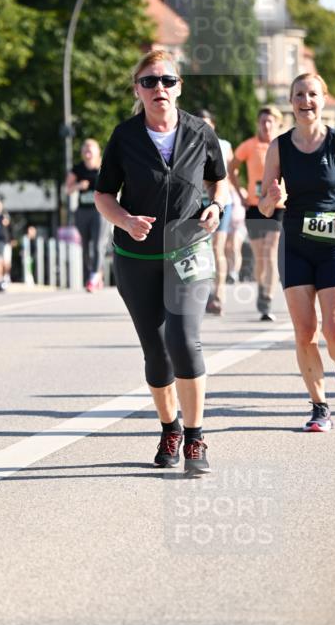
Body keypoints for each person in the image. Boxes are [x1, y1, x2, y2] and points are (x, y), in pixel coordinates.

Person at [95, 50, 229, 473]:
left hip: (188, 251)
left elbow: (218, 181)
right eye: (150, 82)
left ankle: (195, 437)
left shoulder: (199, 132)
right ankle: (169, 427)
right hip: (137, 257)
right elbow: (103, 195)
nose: (160, 89)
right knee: (156, 350)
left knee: (184, 341)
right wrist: (125, 220)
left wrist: (216, 207)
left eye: (167, 81)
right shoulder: (124, 136)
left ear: (179, 87)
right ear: (137, 89)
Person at [259, 73, 335, 431]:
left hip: (334, 246)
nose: (306, 101)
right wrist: (270, 199)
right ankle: (319, 407)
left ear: (323, 98)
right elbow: (265, 206)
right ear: (291, 100)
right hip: (296, 246)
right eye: (299, 94)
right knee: (305, 331)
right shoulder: (279, 147)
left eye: (312, 94)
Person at [232, 106, 284, 320]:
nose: (266, 125)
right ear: (258, 123)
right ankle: (262, 290)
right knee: (259, 255)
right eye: (263, 121)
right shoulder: (249, 145)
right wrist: (240, 191)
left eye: (270, 121)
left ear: (278, 123)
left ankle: (267, 300)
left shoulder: (283, 145)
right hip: (254, 206)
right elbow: (230, 168)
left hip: (278, 206)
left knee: (270, 251)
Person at [199, 111, 234, 315]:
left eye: (207, 124)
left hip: (221, 202)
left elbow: (231, 173)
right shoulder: (187, 142)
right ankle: (203, 295)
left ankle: (219, 294)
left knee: (216, 247)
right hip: (198, 202)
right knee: (199, 250)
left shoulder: (225, 145)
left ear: (213, 125)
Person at [66, 139, 106, 290]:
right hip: (83, 211)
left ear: (98, 151)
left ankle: (94, 277)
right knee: (85, 246)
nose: (87, 150)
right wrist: (78, 185)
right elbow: (67, 189)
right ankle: (93, 274)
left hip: (101, 210)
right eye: (85, 148)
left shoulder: (105, 165)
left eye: (91, 147)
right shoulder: (77, 169)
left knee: (97, 244)